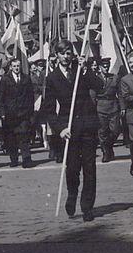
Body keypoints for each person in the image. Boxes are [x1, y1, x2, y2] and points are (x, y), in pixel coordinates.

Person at [42, 40, 104, 221]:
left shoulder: (80, 71)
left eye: (69, 53)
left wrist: (86, 69)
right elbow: (49, 108)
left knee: (90, 167)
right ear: (57, 56)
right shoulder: (51, 78)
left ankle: (87, 207)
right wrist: (60, 129)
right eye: (62, 53)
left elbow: (99, 86)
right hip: (68, 129)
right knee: (72, 168)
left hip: (88, 125)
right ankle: (72, 195)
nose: (66, 57)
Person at [0, 59, 36, 168]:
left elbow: (30, 96)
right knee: (11, 137)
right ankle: (13, 159)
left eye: (18, 66)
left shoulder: (26, 78)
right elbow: (1, 97)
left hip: (23, 112)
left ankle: (26, 159)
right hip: (10, 113)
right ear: (10, 67)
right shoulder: (5, 79)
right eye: (14, 66)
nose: (17, 68)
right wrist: (2, 112)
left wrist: (30, 112)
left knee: (24, 136)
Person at [96, 58, 121, 163]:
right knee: (102, 131)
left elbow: (120, 94)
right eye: (103, 66)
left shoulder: (115, 78)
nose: (105, 68)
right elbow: (93, 95)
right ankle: (106, 152)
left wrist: (122, 107)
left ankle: (109, 146)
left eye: (107, 66)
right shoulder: (95, 79)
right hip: (100, 107)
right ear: (99, 67)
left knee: (115, 130)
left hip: (113, 106)